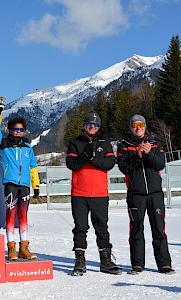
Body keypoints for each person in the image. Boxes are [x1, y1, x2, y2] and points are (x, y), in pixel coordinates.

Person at [66, 111, 122, 276]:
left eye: (96, 125)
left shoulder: (105, 142)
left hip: (99, 193)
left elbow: (110, 162)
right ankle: (80, 261)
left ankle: (105, 261)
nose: (92, 126)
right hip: (79, 193)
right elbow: (71, 164)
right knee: (80, 228)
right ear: (84, 125)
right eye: (90, 124)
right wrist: (85, 155)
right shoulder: (75, 142)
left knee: (102, 227)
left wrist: (92, 159)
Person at [117, 115, 175, 275]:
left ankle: (164, 264)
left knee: (159, 229)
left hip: (155, 194)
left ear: (145, 126)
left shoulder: (155, 144)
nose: (138, 127)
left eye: (141, 124)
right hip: (136, 194)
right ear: (130, 127)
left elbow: (160, 164)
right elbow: (123, 167)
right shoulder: (124, 146)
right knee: (136, 229)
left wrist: (149, 154)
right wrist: (139, 156)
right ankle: (137, 264)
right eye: (134, 124)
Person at [0, 102, 40, 260]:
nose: (18, 132)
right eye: (15, 129)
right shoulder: (5, 143)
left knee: (23, 216)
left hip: (25, 185)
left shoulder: (28, 147)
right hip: (11, 184)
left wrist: (36, 184)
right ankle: (11, 247)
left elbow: (33, 166)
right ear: (10, 130)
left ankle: (24, 248)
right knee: (11, 215)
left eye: (21, 129)